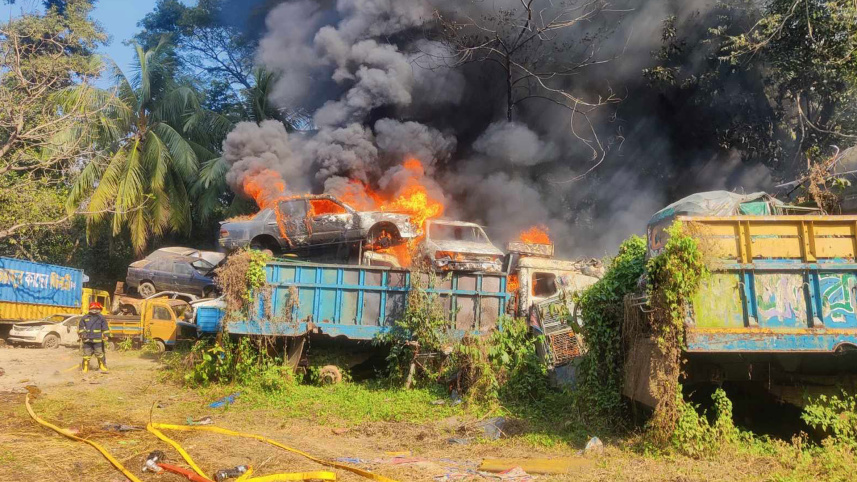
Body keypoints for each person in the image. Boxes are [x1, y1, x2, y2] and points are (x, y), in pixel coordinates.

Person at [79, 302, 109, 373]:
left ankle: (102, 366)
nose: (94, 310)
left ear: (99, 309)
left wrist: (106, 335)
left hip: (97, 340)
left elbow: (105, 327)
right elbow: (81, 327)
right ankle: (85, 368)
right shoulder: (85, 317)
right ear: (90, 309)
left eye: (96, 308)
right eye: (93, 308)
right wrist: (82, 333)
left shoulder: (101, 317)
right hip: (87, 340)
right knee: (86, 355)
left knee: (99, 354)